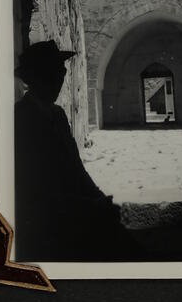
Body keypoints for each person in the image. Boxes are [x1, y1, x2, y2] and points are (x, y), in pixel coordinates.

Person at [14, 40, 139, 261]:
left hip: (78, 207)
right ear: (37, 78)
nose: (60, 79)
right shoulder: (20, 118)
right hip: (52, 219)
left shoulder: (59, 115)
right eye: (54, 73)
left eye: (60, 73)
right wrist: (90, 206)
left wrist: (98, 197)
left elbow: (75, 167)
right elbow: (35, 188)